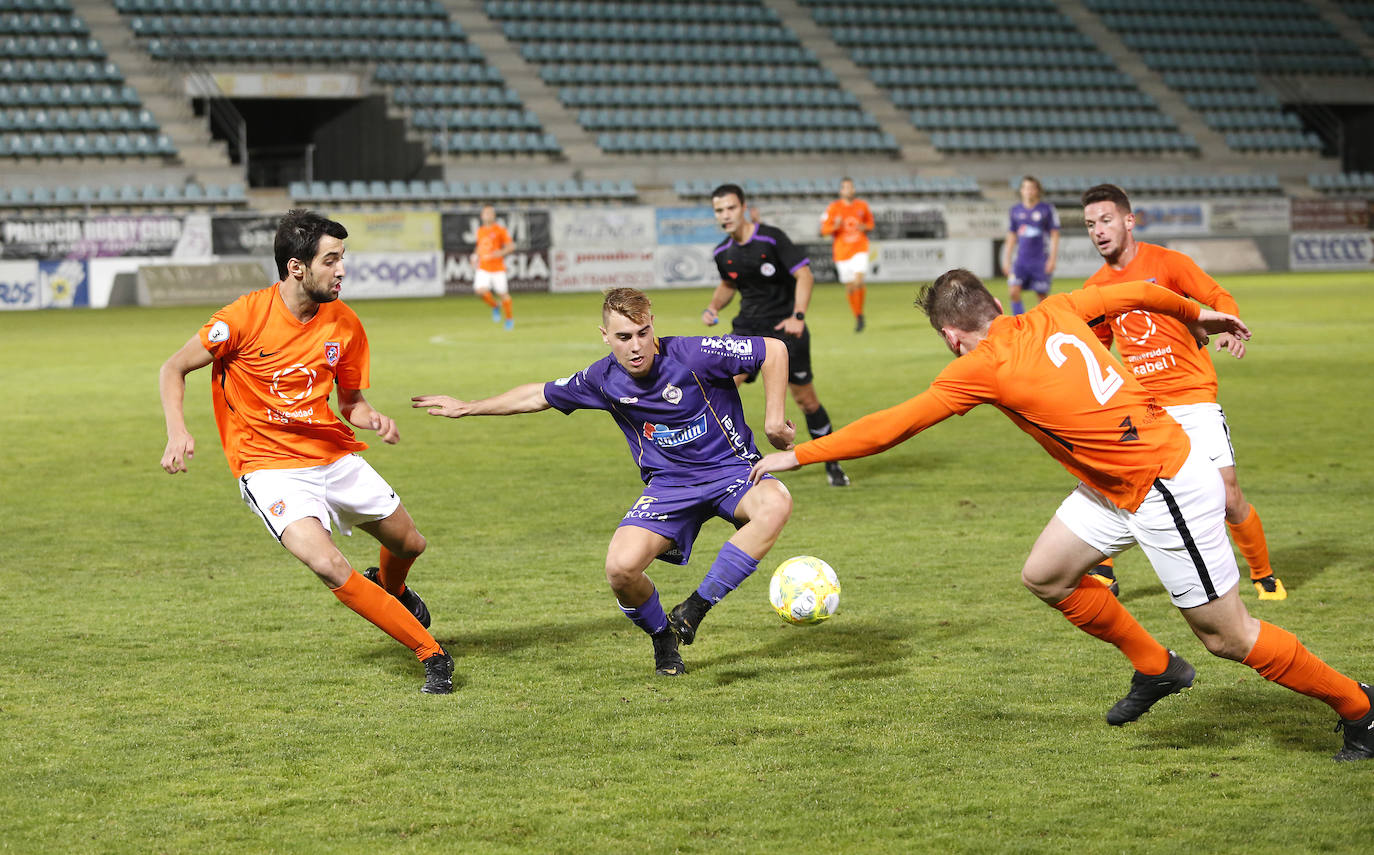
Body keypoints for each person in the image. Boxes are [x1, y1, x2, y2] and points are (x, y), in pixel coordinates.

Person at [749, 269, 1373, 761]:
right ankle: (1158, 669)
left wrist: (798, 455)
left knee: (1227, 636)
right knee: (1047, 574)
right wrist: (1197, 311)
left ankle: (1359, 709)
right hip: (1115, 484)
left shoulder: (982, 366)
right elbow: (1140, 292)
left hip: (1163, 486)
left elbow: (893, 426)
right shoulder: (1058, 309)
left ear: (950, 335)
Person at [412, 287, 796, 676]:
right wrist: (470, 407)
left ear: (652, 326)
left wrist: (774, 422)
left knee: (777, 502)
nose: (636, 347)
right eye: (624, 337)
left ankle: (695, 608)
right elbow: (539, 395)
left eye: (643, 333)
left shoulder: (693, 354)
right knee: (620, 569)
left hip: (731, 471)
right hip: (669, 487)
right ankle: (663, 635)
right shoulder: (603, 378)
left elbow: (773, 350)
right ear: (605, 335)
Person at [158, 209, 453, 695]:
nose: (342, 269)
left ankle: (392, 587)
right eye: (331, 259)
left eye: (343, 258)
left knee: (410, 544)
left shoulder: (345, 323)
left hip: (330, 456)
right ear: (297, 267)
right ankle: (431, 653)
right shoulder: (243, 318)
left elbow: (351, 402)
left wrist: (372, 416)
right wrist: (177, 430)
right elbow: (173, 367)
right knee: (327, 563)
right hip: (269, 468)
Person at [1081, 183, 1285, 601]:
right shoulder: (1095, 289)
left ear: (1128, 220)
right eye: (1089, 225)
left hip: (1193, 397)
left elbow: (1218, 296)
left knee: (1227, 496)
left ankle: (1264, 577)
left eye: (1105, 220)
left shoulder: (1168, 263)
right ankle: (1102, 571)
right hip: (1144, 405)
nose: (1098, 231)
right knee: (1115, 482)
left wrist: (1227, 324)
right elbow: (1097, 345)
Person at [701, 182, 851, 488]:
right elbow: (729, 283)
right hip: (747, 331)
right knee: (716, 389)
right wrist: (713, 307)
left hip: (784, 330)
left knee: (806, 401)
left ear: (744, 208)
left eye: (730, 208)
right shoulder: (722, 252)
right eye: (719, 210)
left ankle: (832, 463)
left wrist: (798, 316)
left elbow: (804, 275)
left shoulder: (771, 238)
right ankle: (722, 466)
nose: (725, 215)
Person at [820, 176, 875, 332]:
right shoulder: (833, 208)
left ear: (854, 190)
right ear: (841, 190)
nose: (848, 190)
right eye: (845, 187)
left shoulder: (862, 206)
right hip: (842, 251)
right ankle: (858, 315)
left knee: (858, 282)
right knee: (850, 287)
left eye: (850, 187)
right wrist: (835, 226)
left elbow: (871, 223)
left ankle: (859, 315)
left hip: (859, 248)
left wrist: (866, 226)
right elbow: (824, 230)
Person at [1001, 175, 1060, 315]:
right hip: (1020, 261)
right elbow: (1011, 236)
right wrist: (1006, 259)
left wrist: (1052, 259)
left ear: (1037, 190)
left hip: (1040, 260)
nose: (1029, 191)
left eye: (1032, 188)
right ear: (1021, 190)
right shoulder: (1015, 211)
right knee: (1013, 291)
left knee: (1042, 296)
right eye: (1026, 188)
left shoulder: (1047, 209)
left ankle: (1043, 326)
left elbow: (1054, 234)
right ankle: (1020, 324)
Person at [472, 204, 515, 331]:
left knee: (504, 294)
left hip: (497, 268)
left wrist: (501, 253)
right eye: (486, 213)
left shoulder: (500, 230)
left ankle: (509, 319)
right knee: (480, 291)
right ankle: (495, 306)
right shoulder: (480, 231)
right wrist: (474, 256)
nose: (488, 215)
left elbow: (511, 246)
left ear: (494, 216)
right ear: (482, 216)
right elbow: (480, 246)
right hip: (484, 267)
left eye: (490, 213)